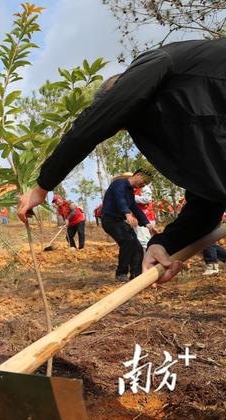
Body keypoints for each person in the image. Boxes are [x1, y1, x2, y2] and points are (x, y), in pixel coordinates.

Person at [18, 38, 226, 285]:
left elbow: (98, 121)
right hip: (111, 222)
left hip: (116, 220)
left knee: (129, 243)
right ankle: (123, 273)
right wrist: (164, 244)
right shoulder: (189, 125)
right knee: (129, 244)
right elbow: (206, 202)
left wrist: (43, 185)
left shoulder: (157, 62)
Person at [101, 170, 155, 281]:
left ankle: (137, 275)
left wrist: (148, 224)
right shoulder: (119, 183)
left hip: (119, 221)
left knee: (137, 246)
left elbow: (135, 208)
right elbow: (120, 199)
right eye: (144, 181)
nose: (144, 185)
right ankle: (121, 273)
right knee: (128, 241)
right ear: (138, 175)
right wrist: (127, 214)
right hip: (110, 220)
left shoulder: (130, 191)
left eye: (146, 184)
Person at [134, 184, 157, 250]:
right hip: (137, 219)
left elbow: (147, 199)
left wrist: (132, 197)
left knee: (143, 241)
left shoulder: (143, 187)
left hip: (146, 217)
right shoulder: (131, 190)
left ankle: (150, 258)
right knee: (141, 241)